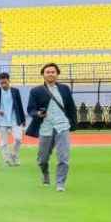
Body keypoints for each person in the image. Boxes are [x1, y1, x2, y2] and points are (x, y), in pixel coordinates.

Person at [24, 62, 78, 192]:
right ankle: (45, 174)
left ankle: (60, 183)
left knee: (63, 157)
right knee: (42, 159)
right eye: (48, 72)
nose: (50, 74)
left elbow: (71, 107)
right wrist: (37, 113)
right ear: (43, 74)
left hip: (62, 126)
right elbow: (30, 109)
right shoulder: (36, 91)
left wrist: (72, 123)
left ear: (57, 74)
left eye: (53, 72)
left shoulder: (65, 88)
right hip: (45, 128)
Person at [0, 72, 26, 167]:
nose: (3, 84)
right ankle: (7, 160)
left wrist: (23, 120)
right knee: (4, 143)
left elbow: (20, 106)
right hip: (2, 121)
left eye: (5, 82)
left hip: (15, 120)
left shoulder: (15, 91)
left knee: (18, 139)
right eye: (1, 83)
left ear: (9, 81)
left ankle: (13, 155)